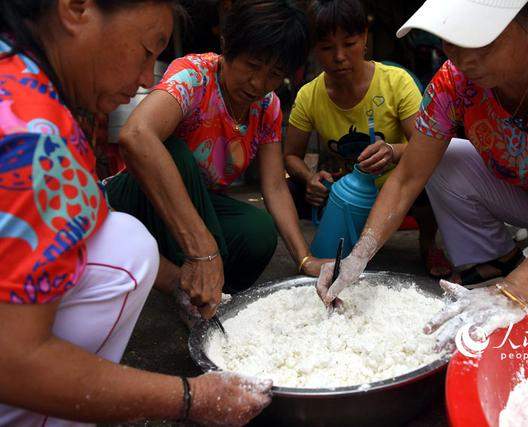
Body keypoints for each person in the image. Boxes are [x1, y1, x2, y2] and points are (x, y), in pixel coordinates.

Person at [0, 1, 271, 425]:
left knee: (125, 240)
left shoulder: (17, 73)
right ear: (76, 9)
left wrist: (179, 284)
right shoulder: (34, 135)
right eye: (148, 51)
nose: (148, 78)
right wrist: (191, 397)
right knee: (128, 251)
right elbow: (11, 360)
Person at [316, 0, 528, 349]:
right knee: (447, 159)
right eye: (451, 39)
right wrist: (359, 255)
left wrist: (515, 292)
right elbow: (408, 176)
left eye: (481, 40)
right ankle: (488, 277)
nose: (463, 58)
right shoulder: (454, 80)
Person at [105, 0, 330, 323]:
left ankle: (207, 294)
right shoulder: (194, 75)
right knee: (173, 150)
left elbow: (275, 186)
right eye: (252, 65)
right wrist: (204, 250)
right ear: (227, 46)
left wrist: (304, 258)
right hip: (138, 199)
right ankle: (199, 278)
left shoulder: (267, 106)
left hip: (195, 206)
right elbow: (136, 135)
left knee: (259, 231)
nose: (258, 83)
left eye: (274, 74)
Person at [284, 0, 452, 277]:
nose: (339, 56)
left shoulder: (396, 82)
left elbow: (426, 146)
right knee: (287, 191)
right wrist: (309, 177)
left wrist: (393, 151)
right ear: (314, 50)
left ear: (364, 38)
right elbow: (290, 156)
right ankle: (311, 257)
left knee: (439, 171)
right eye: (327, 48)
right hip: (346, 189)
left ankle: (428, 244)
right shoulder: (308, 96)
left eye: (349, 43)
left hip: (400, 189)